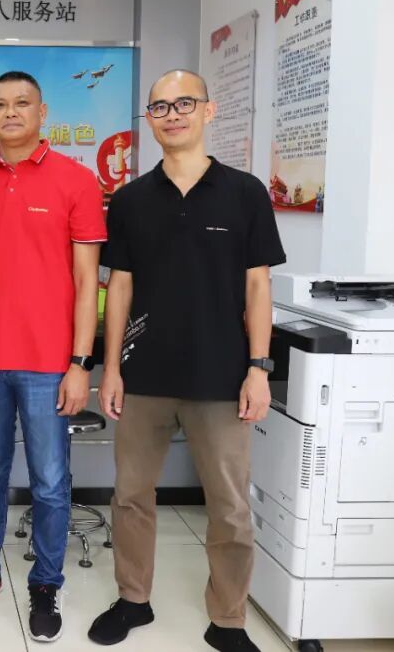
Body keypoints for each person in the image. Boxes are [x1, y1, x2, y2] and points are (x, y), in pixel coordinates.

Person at [87, 70, 285, 652]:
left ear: (208, 110)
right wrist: (112, 368)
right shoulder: (130, 200)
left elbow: (258, 286)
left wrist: (258, 367)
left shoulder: (244, 192)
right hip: (144, 374)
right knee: (131, 496)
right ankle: (133, 599)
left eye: (184, 104)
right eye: (160, 107)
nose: (172, 115)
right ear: (149, 118)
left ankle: (228, 619)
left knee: (229, 506)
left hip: (221, 376)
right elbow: (120, 287)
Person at [0, 71, 106, 643]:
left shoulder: (77, 180)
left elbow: (87, 282)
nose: (10, 112)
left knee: (50, 481)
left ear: (42, 112)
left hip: (48, 362)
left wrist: (80, 363)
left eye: (21, 103)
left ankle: (46, 583)